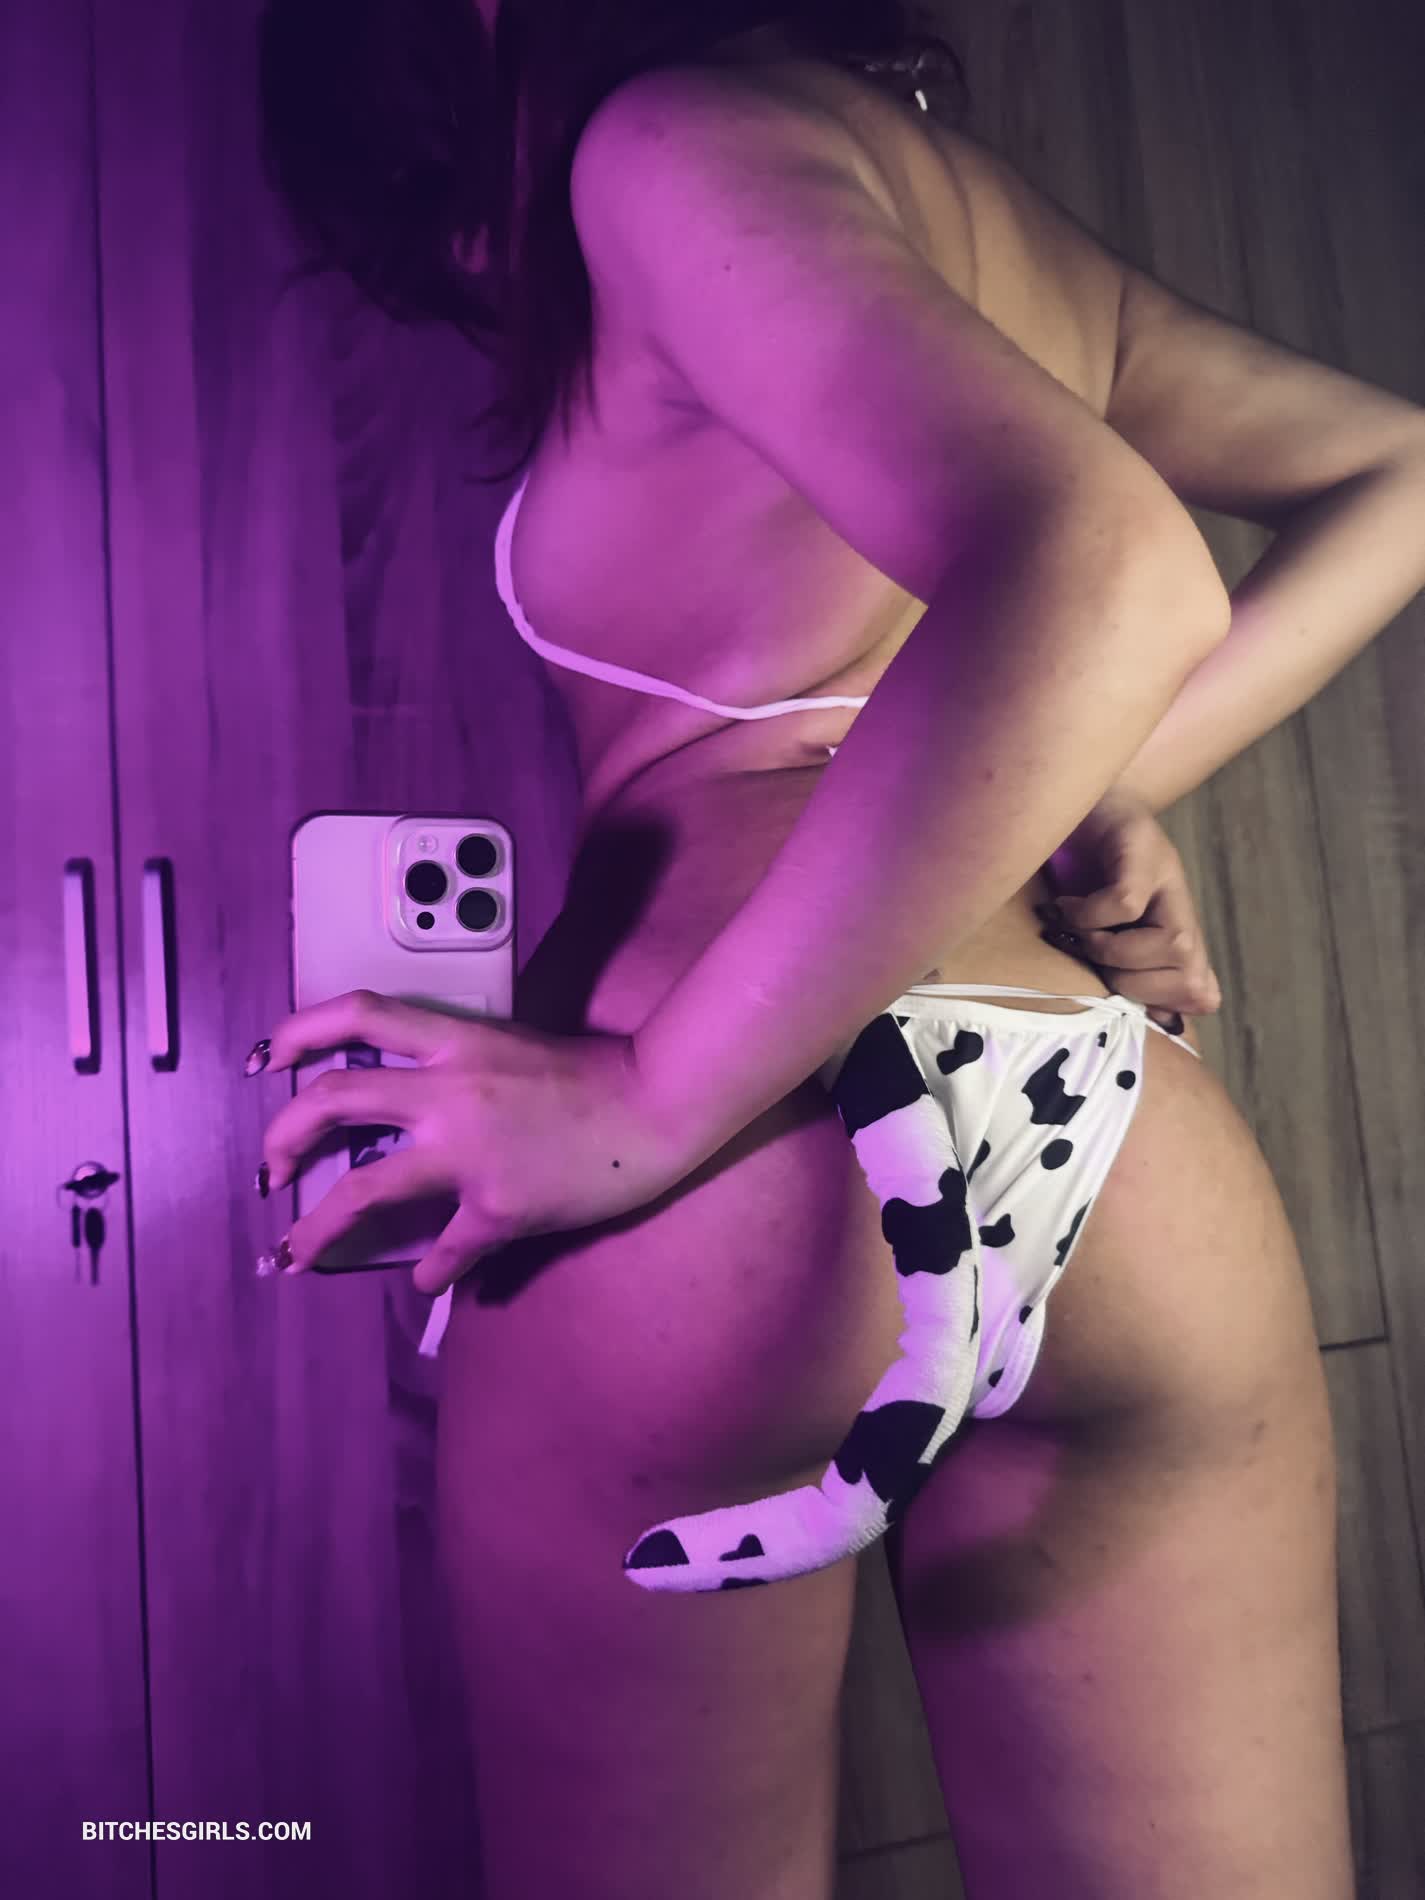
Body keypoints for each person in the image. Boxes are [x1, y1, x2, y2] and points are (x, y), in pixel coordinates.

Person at [255, 4, 1425, 1894]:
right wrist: (1094, 781)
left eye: (444, 187)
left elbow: (1107, 564)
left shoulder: (663, 146)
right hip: (1112, 1155)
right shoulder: (986, 230)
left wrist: (649, 1102)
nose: (481, 261)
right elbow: (1397, 471)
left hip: (722, 1171)